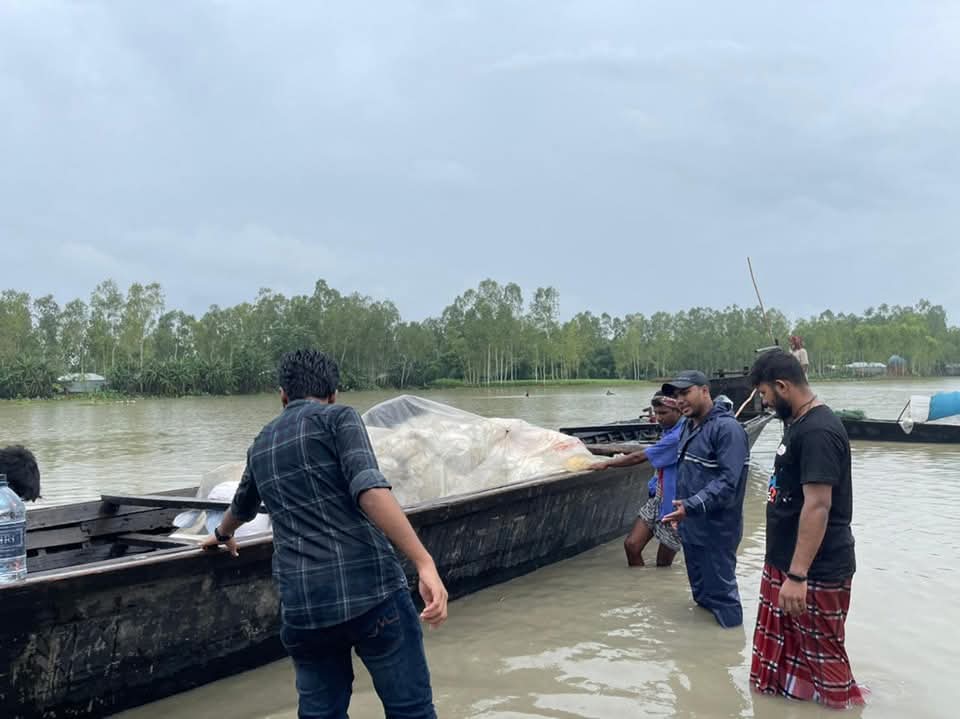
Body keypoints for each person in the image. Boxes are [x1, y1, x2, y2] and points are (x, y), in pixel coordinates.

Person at [202, 349, 448, 719]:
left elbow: (242, 508)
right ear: (333, 393)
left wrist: (220, 536)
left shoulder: (261, 444)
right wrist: (423, 561)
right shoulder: (339, 418)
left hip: (304, 610)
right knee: (411, 711)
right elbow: (369, 490)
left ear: (283, 395)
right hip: (372, 594)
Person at [747, 350, 864, 708]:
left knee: (825, 662)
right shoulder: (798, 423)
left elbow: (818, 505)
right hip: (786, 563)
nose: (765, 403)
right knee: (786, 656)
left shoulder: (818, 431)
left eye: (765, 394)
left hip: (815, 569)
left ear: (783, 386)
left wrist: (798, 575)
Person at [661, 370, 749, 628]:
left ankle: (729, 651)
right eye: (676, 396)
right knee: (701, 594)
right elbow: (686, 473)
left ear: (704, 391)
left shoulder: (727, 429)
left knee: (722, 597)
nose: (680, 400)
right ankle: (703, 656)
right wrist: (681, 509)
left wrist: (690, 506)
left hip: (717, 530)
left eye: (685, 393)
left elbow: (728, 481)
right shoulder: (689, 426)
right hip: (691, 524)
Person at [592, 392, 684, 567]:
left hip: (674, 504)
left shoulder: (678, 436)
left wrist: (606, 464)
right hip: (657, 498)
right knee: (631, 545)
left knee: (663, 564)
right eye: (656, 413)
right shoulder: (668, 431)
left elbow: (638, 457)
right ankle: (639, 583)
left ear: (679, 411)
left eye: (663, 413)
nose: (658, 418)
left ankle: (657, 591)